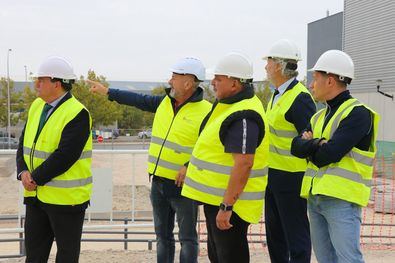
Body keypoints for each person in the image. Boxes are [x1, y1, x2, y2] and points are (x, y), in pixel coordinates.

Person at [88, 57, 211, 263]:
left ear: (188, 83)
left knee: (187, 238)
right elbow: (137, 99)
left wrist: (190, 166)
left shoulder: (207, 111)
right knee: (162, 237)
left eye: (174, 77)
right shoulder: (164, 102)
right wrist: (107, 92)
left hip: (185, 187)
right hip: (158, 183)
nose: (169, 81)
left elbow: (210, 149)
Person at [291, 50, 379, 263]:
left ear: (330, 80)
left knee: (348, 259)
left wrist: (311, 145)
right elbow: (295, 147)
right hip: (315, 197)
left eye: (315, 78)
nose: (311, 84)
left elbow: (327, 155)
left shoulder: (358, 113)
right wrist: (317, 143)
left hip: (341, 200)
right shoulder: (319, 115)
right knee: (326, 259)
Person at [182, 52, 269, 263]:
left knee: (230, 257)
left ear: (235, 83)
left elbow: (244, 163)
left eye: (218, 79)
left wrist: (227, 207)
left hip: (231, 206)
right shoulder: (230, 106)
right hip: (219, 200)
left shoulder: (244, 116)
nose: (213, 83)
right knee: (218, 256)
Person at [16, 56, 93, 263]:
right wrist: (23, 172)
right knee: (34, 256)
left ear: (57, 84)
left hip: (66, 201)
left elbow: (65, 156)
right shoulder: (36, 106)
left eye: (41, 80)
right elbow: (23, 144)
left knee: (66, 256)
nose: (36, 84)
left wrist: (34, 178)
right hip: (36, 197)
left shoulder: (78, 113)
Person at [262, 39, 315, 263]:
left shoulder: (300, 97)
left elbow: (308, 138)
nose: (266, 66)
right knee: (274, 235)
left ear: (280, 66)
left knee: (296, 234)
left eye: (269, 61)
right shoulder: (277, 95)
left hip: (292, 177)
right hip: (273, 175)